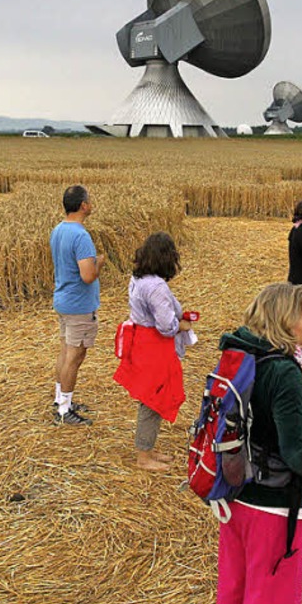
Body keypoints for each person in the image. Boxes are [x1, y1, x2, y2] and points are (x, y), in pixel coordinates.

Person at [215, 283, 302, 604]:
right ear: (286, 320)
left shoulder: (242, 355)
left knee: (235, 588)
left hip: (235, 494)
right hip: (274, 505)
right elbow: (294, 448)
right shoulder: (283, 372)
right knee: (270, 599)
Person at [112, 232, 194, 471]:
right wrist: (183, 325)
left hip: (142, 342)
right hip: (154, 347)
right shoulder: (156, 287)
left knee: (151, 397)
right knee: (153, 398)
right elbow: (166, 326)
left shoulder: (138, 278)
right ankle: (143, 457)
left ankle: (147, 448)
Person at [50, 185, 101, 426]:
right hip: (79, 305)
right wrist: (98, 262)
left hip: (63, 301)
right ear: (83, 205)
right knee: (75, 356)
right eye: (89, 200)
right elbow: (88, 276)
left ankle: (60, 399)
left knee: (65, 351)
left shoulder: (58, 230)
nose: (91, 204)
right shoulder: (81, 235)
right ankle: (64, 410)